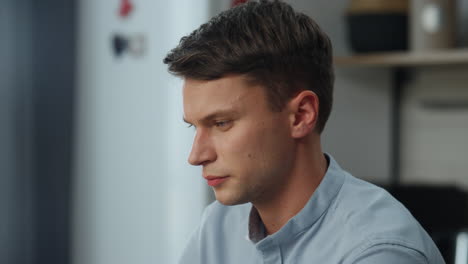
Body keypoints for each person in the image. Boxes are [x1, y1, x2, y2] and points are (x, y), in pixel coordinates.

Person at [163, 0, 445, 263]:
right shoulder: (218, 225)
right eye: (194, 126)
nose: (196, 155)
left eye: (221, 123)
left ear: (301, 116)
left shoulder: (377, 251)